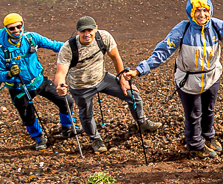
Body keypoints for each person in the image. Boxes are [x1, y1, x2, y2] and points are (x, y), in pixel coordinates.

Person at [123, 0, 223, 160]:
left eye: (205, 10)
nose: (202, 15)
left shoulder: (218, 26)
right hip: (187, 80)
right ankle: (195, 145)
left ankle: (208, 136)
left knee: (209, 110)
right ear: (191, 12)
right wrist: (139, 70)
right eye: (198, 11)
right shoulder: (182, 29)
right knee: (193, 113)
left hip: (212, 76)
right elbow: (163, 51)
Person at [53, 16, 162, 154]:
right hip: (81, 86)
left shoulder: (103, 37)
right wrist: (60, 86)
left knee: (132, 94)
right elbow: (60, 73)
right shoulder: (68, 48)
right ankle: (95, 139)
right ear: (77, 32)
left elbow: (115, 57)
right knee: (86, 114)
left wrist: (122, 79)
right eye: (83, 31)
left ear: (96, 28)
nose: (87, 34)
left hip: (102, 78)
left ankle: (142, 122)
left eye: (90, 30)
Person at [0, 12, 76, 150]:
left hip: (38, 81)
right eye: (12, 28)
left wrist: (74, 47)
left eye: (19, 26)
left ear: (22, 25)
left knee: (66, 101)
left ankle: (68, 128)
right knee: (27, 116)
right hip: (18, 88)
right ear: (6, 29)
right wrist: (9, 74)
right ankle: (39, 138)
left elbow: (53, 45)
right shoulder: (0, 50)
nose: (16, 30)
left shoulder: (31, 38)